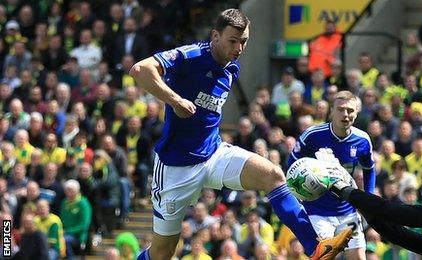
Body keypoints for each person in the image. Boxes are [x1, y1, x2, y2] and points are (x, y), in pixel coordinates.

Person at [131, 9, 351, 260]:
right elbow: (140, 70)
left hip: (213, 154)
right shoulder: (192, 55)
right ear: (215, 35)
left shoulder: (231, 68)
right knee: (162, 254)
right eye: (232, 41)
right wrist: (175, 100)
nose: (238, 48)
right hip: (175, 167)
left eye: (243, 41)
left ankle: (317, 248)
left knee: (273, 175)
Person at [289, 90, 375, 260]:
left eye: (350, 110)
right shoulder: (312, 135)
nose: (345, 114)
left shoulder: (362, 140)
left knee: (358, 256)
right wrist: (298, 195)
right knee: (325, 257)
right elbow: (291, 165)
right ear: (331, 112)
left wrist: (369, 199)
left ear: (356, 113)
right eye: (340, 109)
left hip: (348, 209)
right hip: (317, 211)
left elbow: (369, 168)